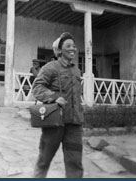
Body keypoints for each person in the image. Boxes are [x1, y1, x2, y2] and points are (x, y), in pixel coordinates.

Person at [32, 32, 84, 178]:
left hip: (74, 124)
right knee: (44, 160)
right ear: (59, 50)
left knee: (75, 164)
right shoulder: (50, 67)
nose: (73, 48)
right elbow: (37, 88)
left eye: (74, 46)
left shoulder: (76, 70)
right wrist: (54, 97)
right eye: (68, 46)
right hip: (55, 123)